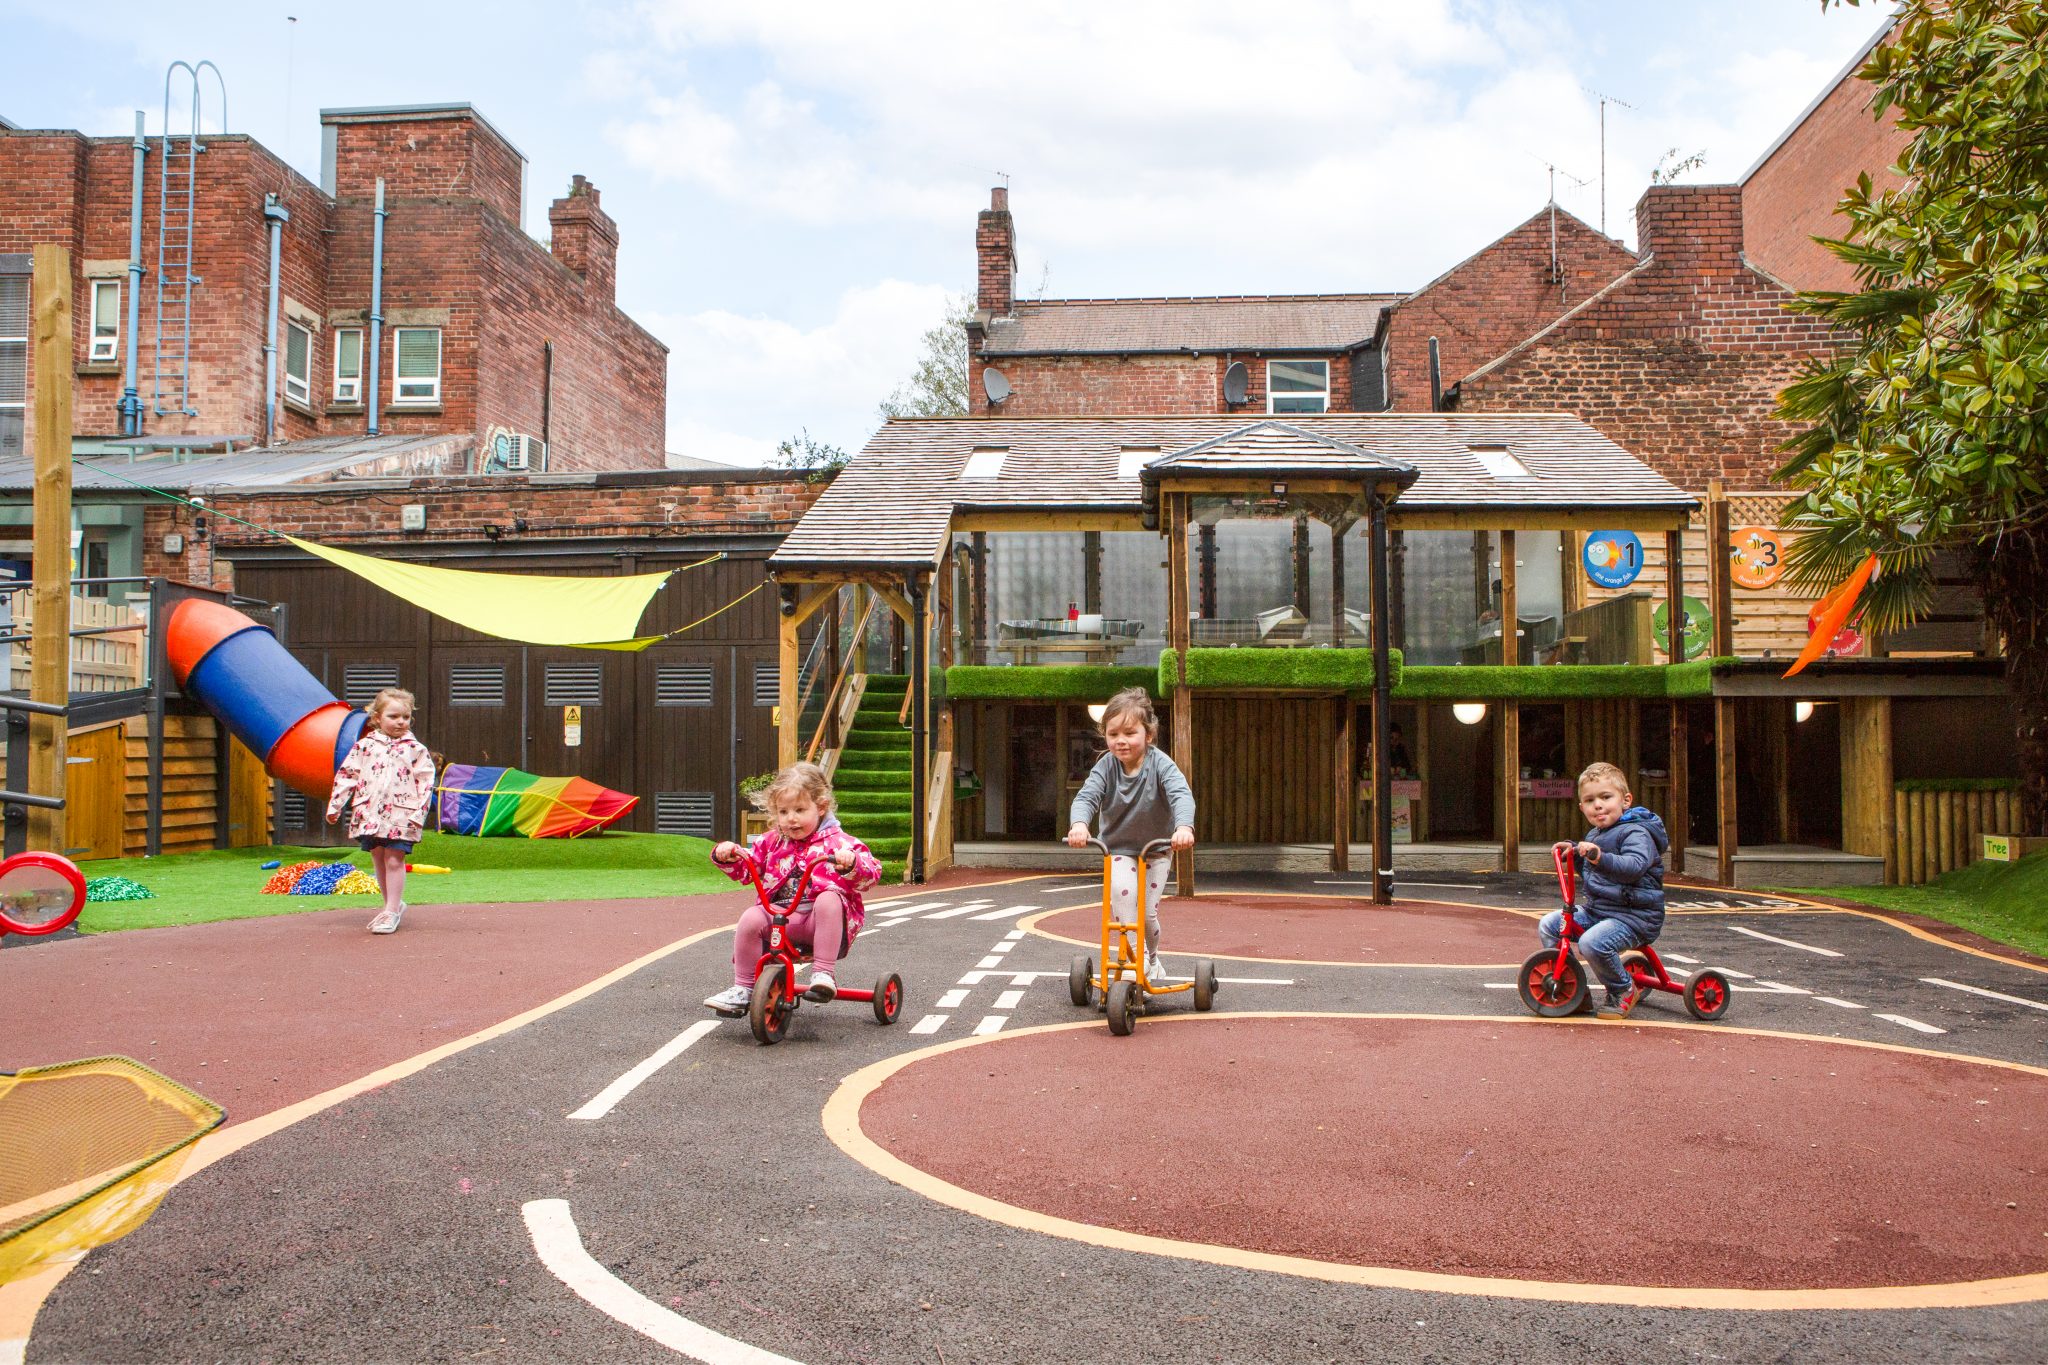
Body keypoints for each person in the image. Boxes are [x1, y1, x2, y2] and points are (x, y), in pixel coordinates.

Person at [705, 761, 881, 1015]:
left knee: (829, 898)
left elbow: (871, 873)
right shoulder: (772, 842)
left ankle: (823, 974)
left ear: (820, 808)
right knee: (750, 918)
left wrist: (851, 863)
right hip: (781, 917)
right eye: (784, 811)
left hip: (819, 922)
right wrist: (730, 855)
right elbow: (748, 870)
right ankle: (743, 988)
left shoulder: (840, 843)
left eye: (799, 810)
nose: (791, 819)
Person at [1065, 687, 1195, 983]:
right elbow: (1087, 797)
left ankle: (1152, 959)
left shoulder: (1161, 764)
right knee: (1123, 903)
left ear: (1148, 735)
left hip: (1157, 849)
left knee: (1147, 913)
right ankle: (1136, 961)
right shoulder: (1106, 767)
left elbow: (1181, 795)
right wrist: (1080, 825)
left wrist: (1184, 828)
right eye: (1113, 735)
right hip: (1119, 850)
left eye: (1129, 733)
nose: (1121, 741)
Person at [1540, 761, 1669, 1018]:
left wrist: (1598, 855)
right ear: (1581, 807)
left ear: (1626, 800)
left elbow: (1633, 866)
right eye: (1589, 800)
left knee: (1592, 942)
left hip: (1635, 915)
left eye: (1606, 797)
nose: (1597, 805)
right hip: (1600, 911)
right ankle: (1574, 987)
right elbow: (1596, 873)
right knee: (1550, 924)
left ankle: (1622, 989)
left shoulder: (1636, 833)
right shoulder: (1596, 833)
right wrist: (1575, 853)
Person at [326, 687, 436, 935]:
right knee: (378, 856)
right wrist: (336, 805)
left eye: (405, 717)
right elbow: (347, 775)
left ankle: (391, 911)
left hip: (401, 814)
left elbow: (426, 783)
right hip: (370, 814)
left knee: (394, 858)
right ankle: (391, 905)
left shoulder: (415, 749)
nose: (400, 722)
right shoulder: (364, 746)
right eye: (393, 716)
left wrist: (418, 814)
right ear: (377, 718)